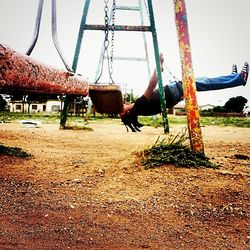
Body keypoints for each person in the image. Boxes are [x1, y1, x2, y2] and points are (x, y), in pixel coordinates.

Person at [120, 54, 249, 132]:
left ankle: (233, 77)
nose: (120, 107)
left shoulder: (141, 109)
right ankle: (239, 79)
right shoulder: (139, 105)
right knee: (207, 82)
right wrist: (158, 64)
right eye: (121, 111)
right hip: (177, 90)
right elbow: (151, 86)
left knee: (206, 81)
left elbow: (158, 100)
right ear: (128, 112)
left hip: (176, 91)